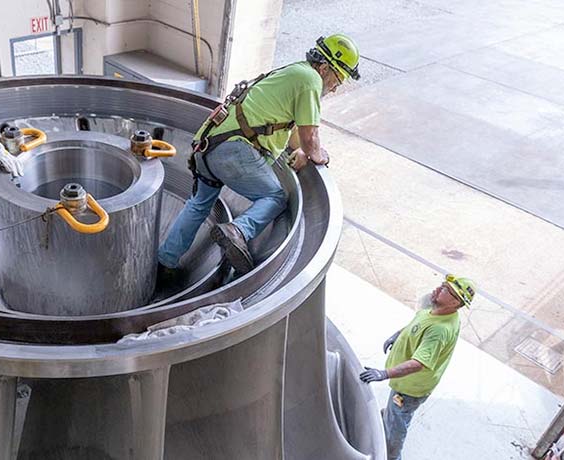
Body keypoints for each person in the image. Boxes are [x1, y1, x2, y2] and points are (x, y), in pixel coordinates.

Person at [157, 34, 361, 278]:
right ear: (325, 67)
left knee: (199, 204)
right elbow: (310, 139)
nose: (336, 87)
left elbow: (293, 132)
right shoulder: (310, 81)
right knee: (274, 197)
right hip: (234, 151)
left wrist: (300, 150)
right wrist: (319, 155)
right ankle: (239, 231)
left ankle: (165, 261)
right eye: (338, 79)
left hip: (208, 144)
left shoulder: (294, 73)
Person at [359, 274, 477, 460]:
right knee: (393, 412)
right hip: (404, 383)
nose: (439, 289)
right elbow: (417, 323)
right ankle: (388, 417)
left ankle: (391, 456)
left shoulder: (439, 330)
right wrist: (398, 335)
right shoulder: (435, 309)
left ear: (456, 303)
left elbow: (418, 363)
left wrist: (384, 374)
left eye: (447, 290)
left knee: (397, 427)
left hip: (410, 389)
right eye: (443, 285)